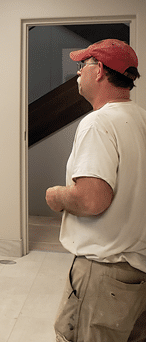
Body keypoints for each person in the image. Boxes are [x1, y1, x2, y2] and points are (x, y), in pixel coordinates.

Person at [45, 39, 146, 342]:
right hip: (137, 270)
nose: (77, 73)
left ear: (100, 70)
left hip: (104, 275)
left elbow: (91, 199)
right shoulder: (141, 119)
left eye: (83, 65)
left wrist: (56, 196)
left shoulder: (98, 123)